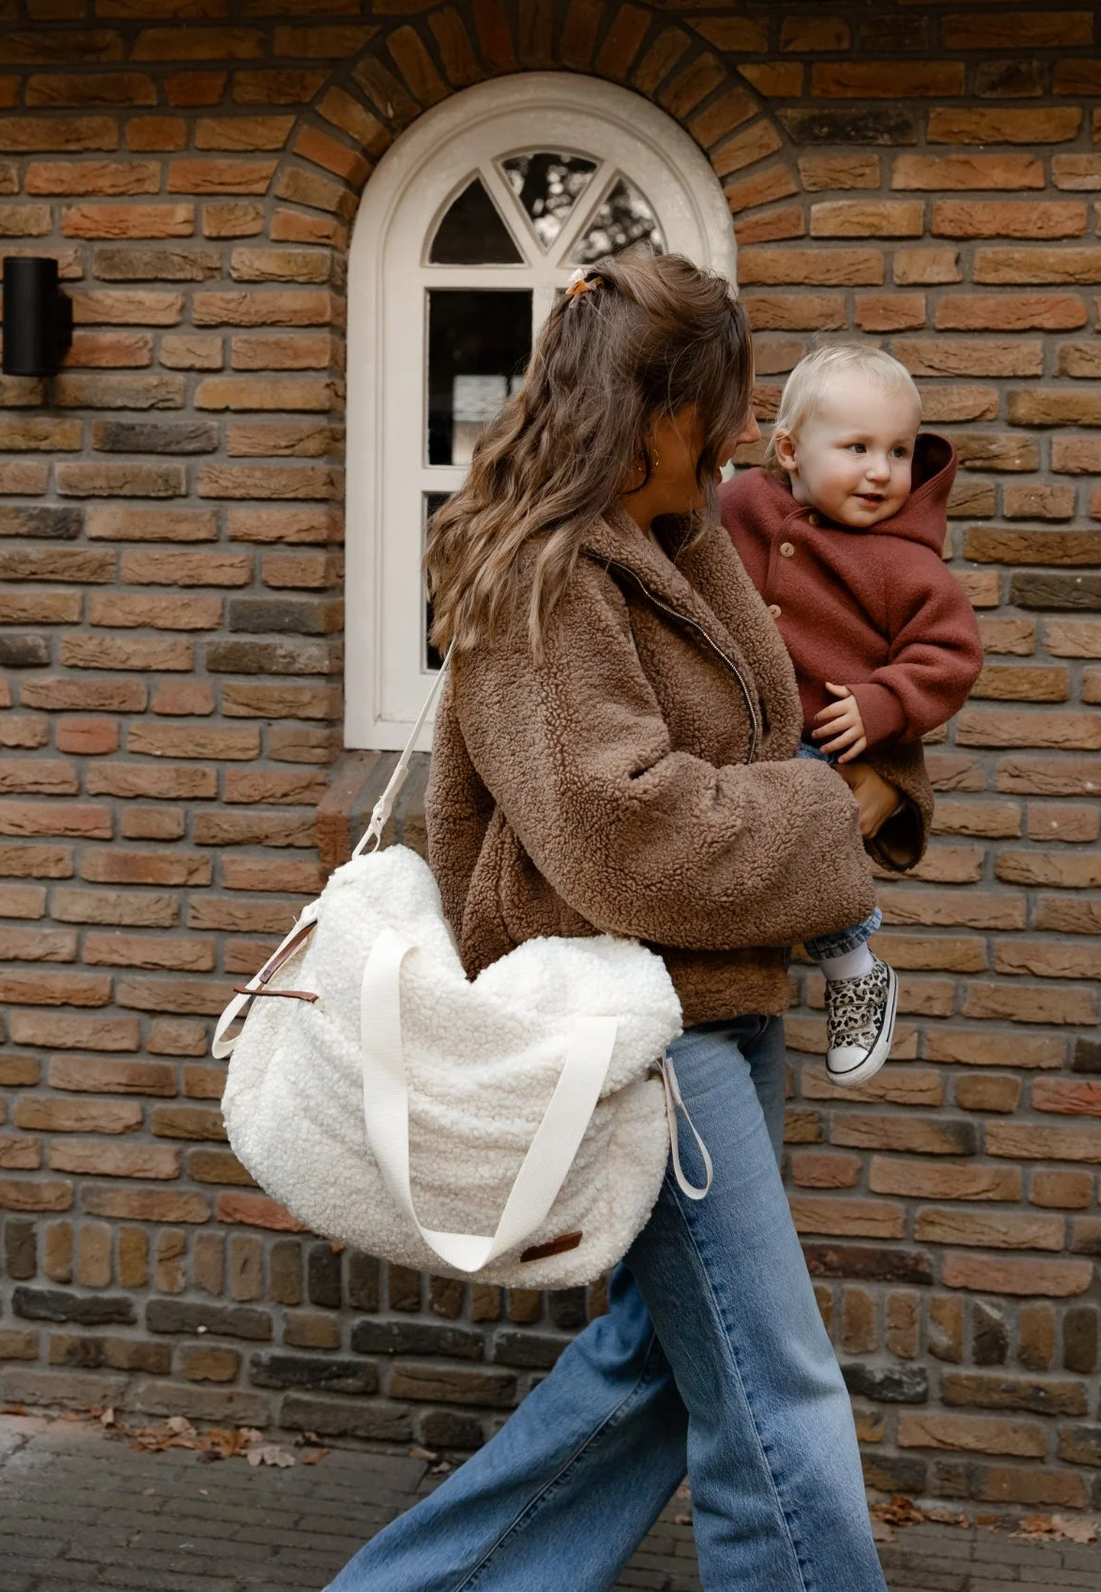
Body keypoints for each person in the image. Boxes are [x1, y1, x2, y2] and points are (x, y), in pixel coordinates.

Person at [326, 253, 932, 1593]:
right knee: (777, 1397)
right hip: (641, 1034)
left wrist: (839, 772)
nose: (740, 425)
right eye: (722, 398)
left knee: (654, 1368)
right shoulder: (547, 579)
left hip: (718, 1006)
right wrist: (827, 817)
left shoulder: (673, 543)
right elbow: (623, 833)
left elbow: (753, 741)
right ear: (654, 409)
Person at [721, 345, 983, 1088]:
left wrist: (883, 703)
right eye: (858, 448)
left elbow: (951, 654)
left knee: (806, 821)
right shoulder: (742, 504)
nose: (880, 470)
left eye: (898, 452)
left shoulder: (908, 565)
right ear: (789, 450)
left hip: (819, 744)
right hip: (737, 735)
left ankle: (854, 966)